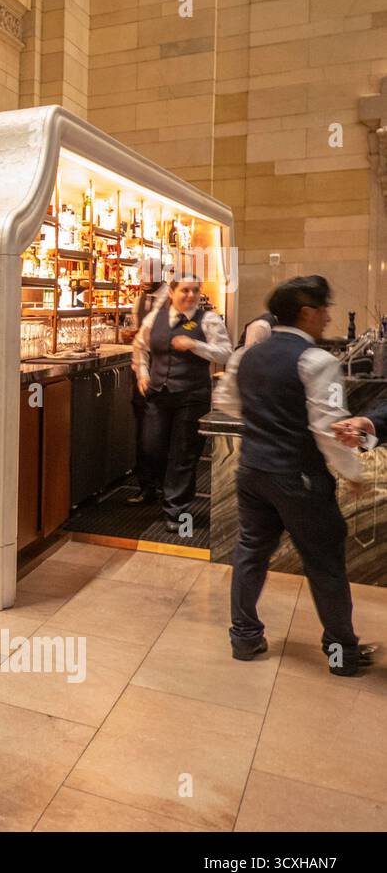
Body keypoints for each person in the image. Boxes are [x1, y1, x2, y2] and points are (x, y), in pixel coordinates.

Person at [217, 276, 371, 674]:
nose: (327, 317)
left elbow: (228, 402)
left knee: (250, 552)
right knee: (324, 565)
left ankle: (245, 638)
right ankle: (342, 654)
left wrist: (267, 420)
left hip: (251, 469)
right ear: (306, 312)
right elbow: (328, 428)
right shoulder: (317, 361)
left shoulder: (245, 356)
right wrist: (352, 472)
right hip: (299, 478)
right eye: (323, 309)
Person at [132, 274, 232, 531]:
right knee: (151, 447)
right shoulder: (156, 318)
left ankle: (176, 511)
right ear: (172, 293)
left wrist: (195, 345)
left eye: (195, 291)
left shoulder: (208, 320)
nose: (190, 296)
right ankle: (164, 490)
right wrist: (142, 372)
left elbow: (225, 352)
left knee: (184, 453)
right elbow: (140, 346)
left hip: (191, 395)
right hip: (158, 393)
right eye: (185, 290)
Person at [123, 277, 168, 506]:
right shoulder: (139, 301)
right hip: (142, 377)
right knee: (144, 433)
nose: (144, 280)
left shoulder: (173, 298)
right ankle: (147, 487)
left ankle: (165, 486)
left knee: (165, 434)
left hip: (166, 376)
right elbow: (138, 340)